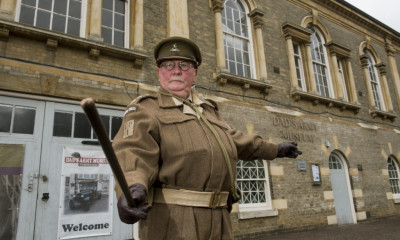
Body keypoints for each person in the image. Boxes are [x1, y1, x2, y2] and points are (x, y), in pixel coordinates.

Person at [112, 36, 302, 240]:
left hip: (220, 220)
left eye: (184, 65)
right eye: (168, 65)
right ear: (159, 73)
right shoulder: (145, 109)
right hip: (175, 222)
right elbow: (132, 151)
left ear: (195, 74)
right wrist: (133, 187)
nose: (176, 70)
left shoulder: (208, 110)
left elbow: (236, 141)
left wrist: (276, 149)